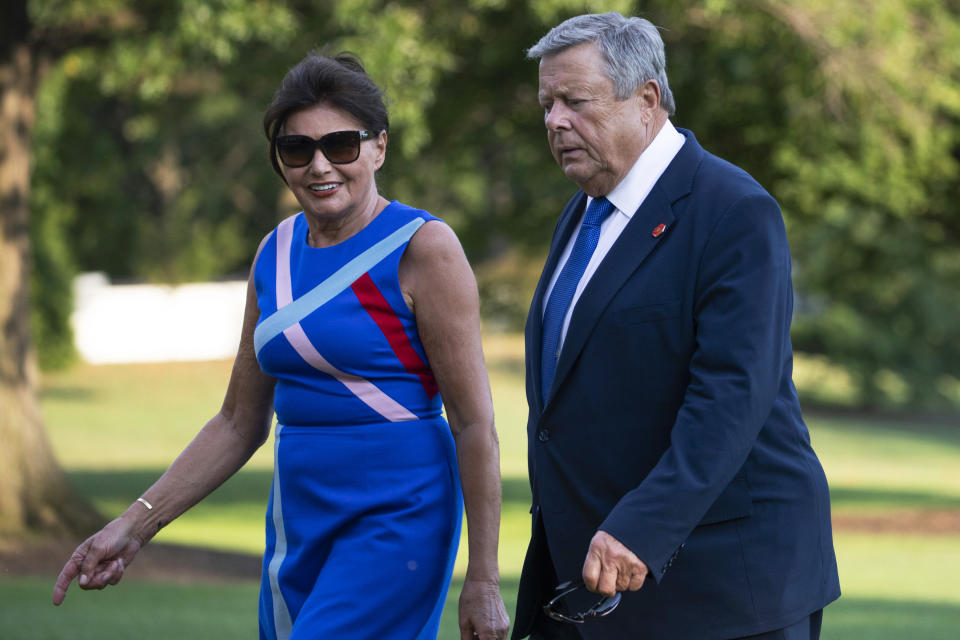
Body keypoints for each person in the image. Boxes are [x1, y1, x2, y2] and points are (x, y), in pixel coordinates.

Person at [52, 51, 510, 640]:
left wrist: (485, 578)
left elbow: (475, 424)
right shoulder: (274, 251)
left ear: (379, 148)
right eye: (297, 150)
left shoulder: (424, 248)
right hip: (297, 516)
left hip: (399, 514)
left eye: (341, 145)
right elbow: (239, 421)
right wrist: (134, 525)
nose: (319, 165)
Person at [513, 12, 840, 640]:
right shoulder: (581, 213)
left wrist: (642, 526)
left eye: (575, 101)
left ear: (646, 100)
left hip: (724, 590)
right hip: (592, 583)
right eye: (547, 103)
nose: (555, 121)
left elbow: (731, 398)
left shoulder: (734, 211)